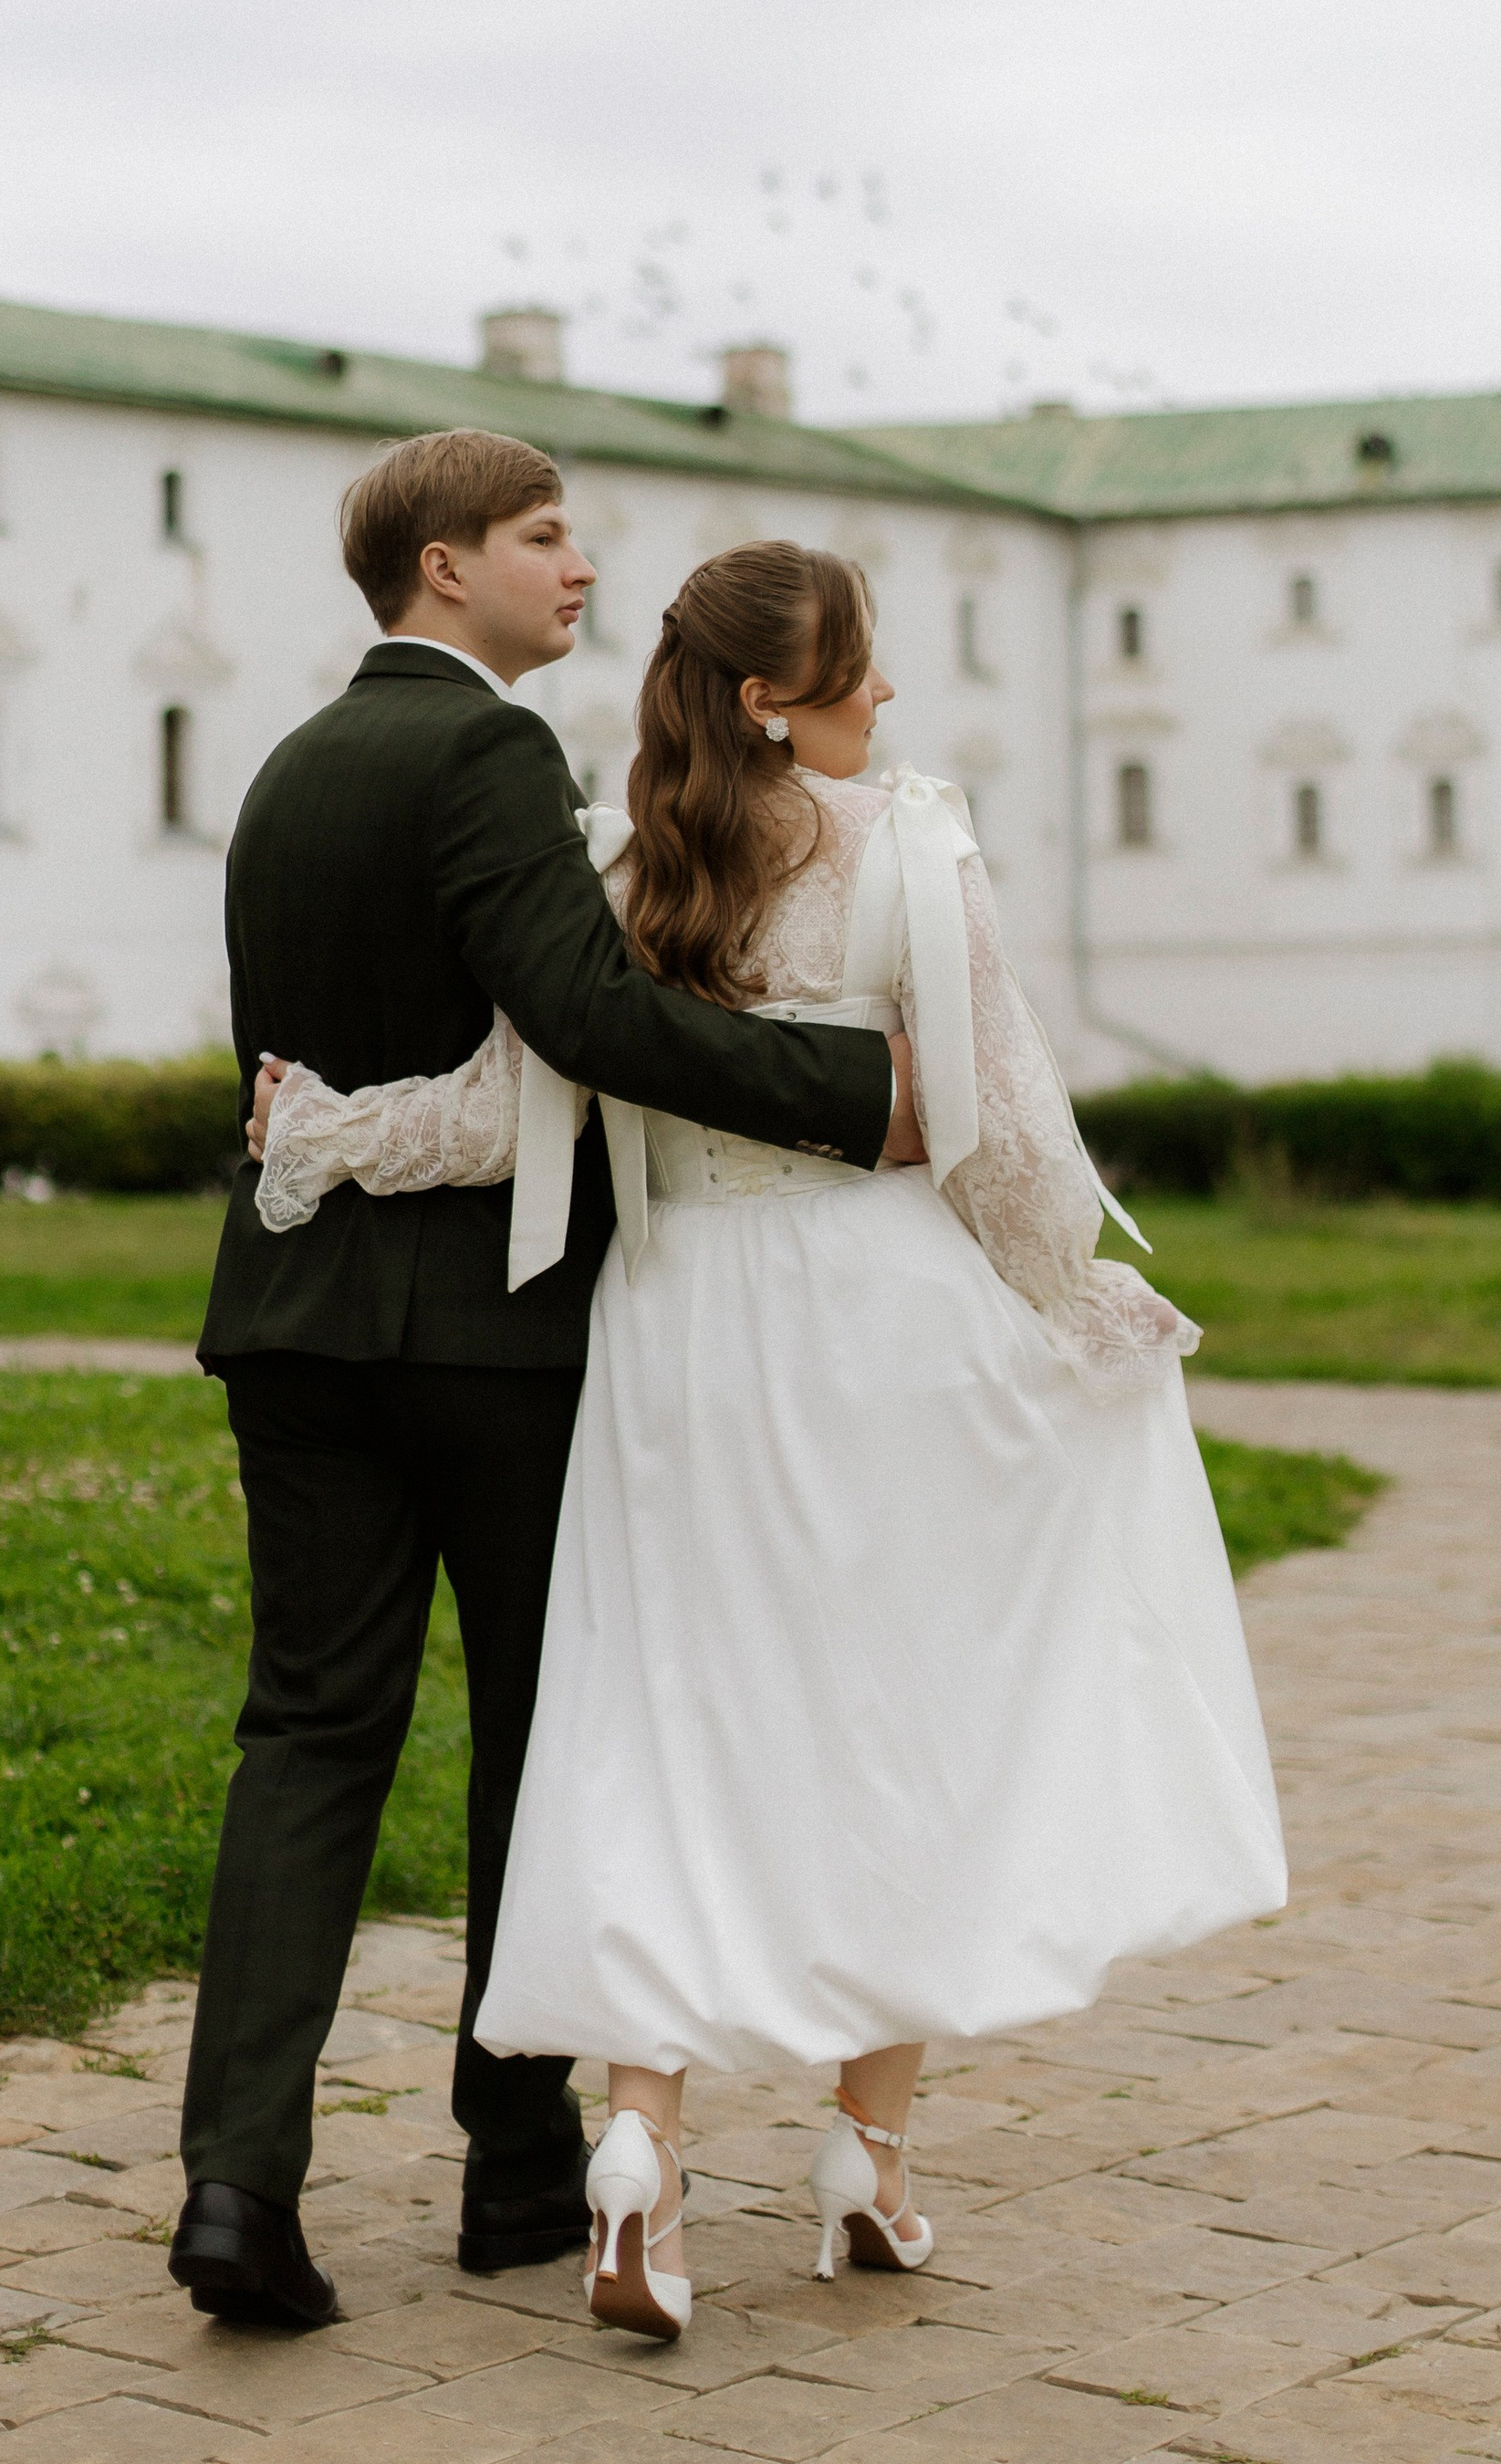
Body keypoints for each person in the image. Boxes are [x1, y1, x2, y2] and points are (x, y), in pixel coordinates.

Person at [245, 538, 1287, 2343]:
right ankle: (863, 2155)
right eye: (855, 664)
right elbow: (1003, 1127)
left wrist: (324, 1130)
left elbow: (501, 1116)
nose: (883, 691)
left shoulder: (618, 868)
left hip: (677, 1336)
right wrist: (1077, 1300)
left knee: (673, 1725)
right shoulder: (910, 842)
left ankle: (638, 2149)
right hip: (882, 1322)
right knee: (906, 1725)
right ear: (769, 699)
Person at [168, 444, 924, 2331]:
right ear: (445, 568)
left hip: (291, 1314)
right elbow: (586, 1018)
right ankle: (511, 2162)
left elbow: (283, 1059)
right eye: (541, 538)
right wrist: (855, 1095)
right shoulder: (492, 752)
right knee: (539, 1728)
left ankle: (237, 2180)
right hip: (490, 1338)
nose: (579, 568)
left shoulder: (283, 770)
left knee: (305, 1737)